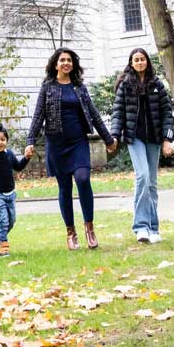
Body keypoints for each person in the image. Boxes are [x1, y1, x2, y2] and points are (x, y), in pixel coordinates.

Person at [24, 47, 117, 250]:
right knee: (64, 188)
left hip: (78, 142)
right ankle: (71, 232)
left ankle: (89, 228)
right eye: (62, 60)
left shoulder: (79, 87)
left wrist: (108, 138)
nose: (66, 63)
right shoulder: (48, 87)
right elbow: (38, 115)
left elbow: (93, 113)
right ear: (55, 64)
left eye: (69, 60)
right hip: (57, 145)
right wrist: (30, 140)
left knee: (83, 179)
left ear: (73, 64)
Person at [110, 47, 174, 245]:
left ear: (147, 62)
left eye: (143, 59)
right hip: (135, 138)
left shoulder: (157, 84)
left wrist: (167, 138)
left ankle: (154, 227)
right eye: (136, 60)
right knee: (142, 176)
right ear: (131, 63)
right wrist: (114, 136)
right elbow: (118, 113)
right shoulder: (125, 85)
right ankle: (141, 227)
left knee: (152, 183)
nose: (140, 62)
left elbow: (167, 113)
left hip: (154, 139)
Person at [0, 123, 29, 258]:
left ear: (7, 141)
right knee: (2, 220)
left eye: (2, 139)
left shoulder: (9, 154)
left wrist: (26, 157)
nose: (0, 142)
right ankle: (4, 245)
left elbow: (18, 167)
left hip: (10, 193)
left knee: (11, 220)